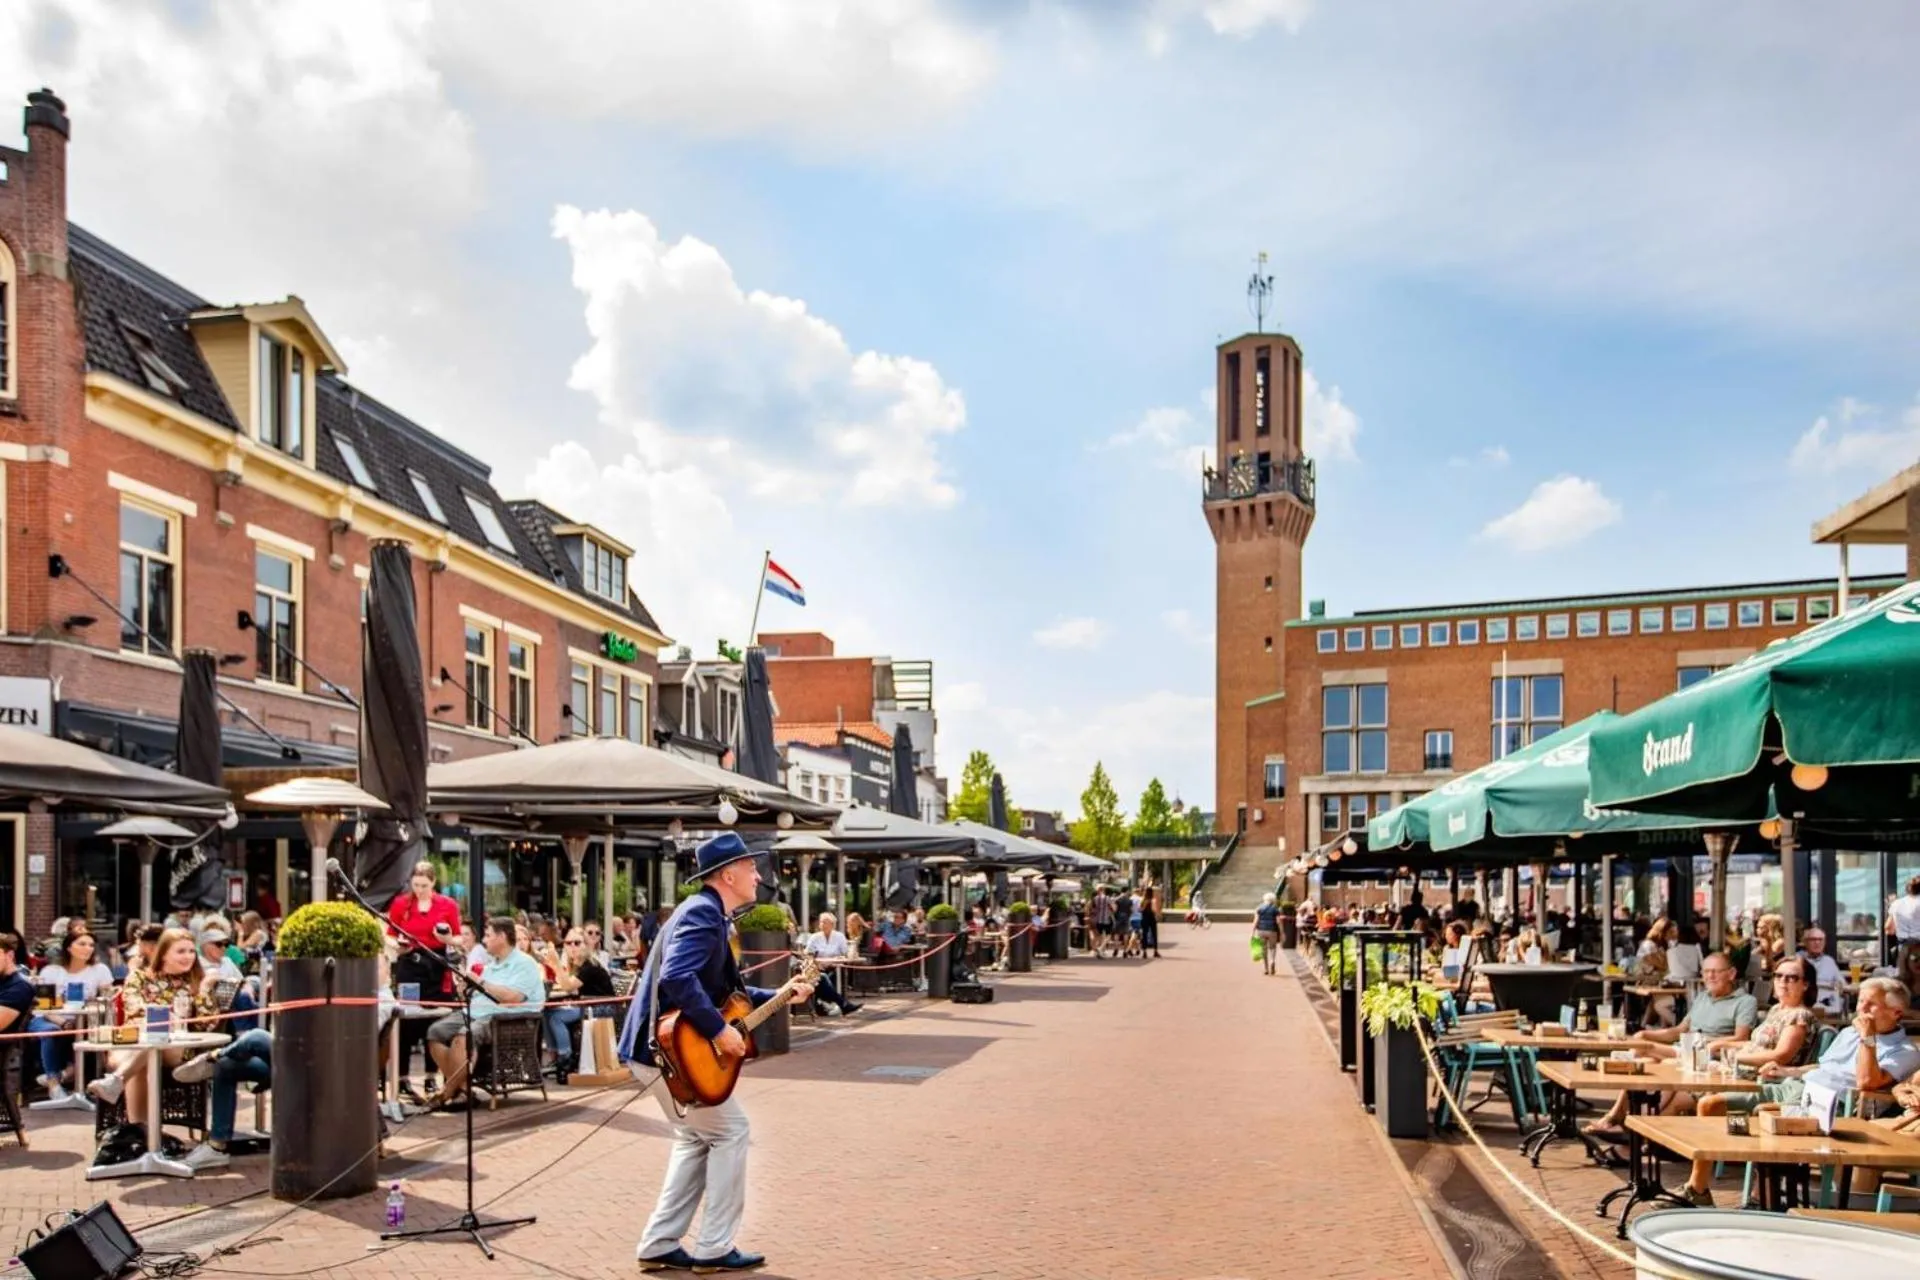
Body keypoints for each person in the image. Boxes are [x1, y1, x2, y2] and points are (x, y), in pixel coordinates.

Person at [624, 832, 813, 1273]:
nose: (757, 874)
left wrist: (784, 993)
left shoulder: (709, 915)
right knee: (731, 1131)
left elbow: (728, 995)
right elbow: (677, 977)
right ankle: (713, 1247)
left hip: (659, 1051)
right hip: (669, 1053)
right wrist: (717, 1030)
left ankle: (659, 1242)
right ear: (727, 874)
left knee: (694, 1139)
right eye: (750, 867)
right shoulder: (704, 915)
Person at [1681, 956, 1820, 1204]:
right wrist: (1725, 1046)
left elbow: (1782, 1055)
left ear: (1806, 985)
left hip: (1775, 1086)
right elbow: (1756, 1044)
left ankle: (1698, 1188)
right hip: (1747, 1077)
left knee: (1708, 1104)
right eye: (1778, 976)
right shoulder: (1777, 1010)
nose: (1783, 982)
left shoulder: (1800, 1016)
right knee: (1690, 1081)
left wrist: (1738, 1057)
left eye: (1792, 977)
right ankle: (1698, 1185)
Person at [1584, 952, 1756, 1141]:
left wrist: (1713, 1044)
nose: (1710, 976)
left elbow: (1741, 1037)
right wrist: (1645, 1033)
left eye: (1716, 971)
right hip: (1683, 1051)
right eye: (1706, 972)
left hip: (1707, 1059)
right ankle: (1631, 1126)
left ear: (1731, 974)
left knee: (1648, 1052)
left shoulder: (1745, 1001)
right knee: (1645, 1059)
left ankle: (1619, 1121)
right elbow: (1679, 1030)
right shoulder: (1702, 998)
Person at [89, 928, 220, 1125]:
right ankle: (144, 1136)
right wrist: (162, 1015)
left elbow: (207, 1023)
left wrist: (203, 990)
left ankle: (119, 1085)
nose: (188, 957)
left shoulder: (196, 981)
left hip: (176, 1048)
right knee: (147, 1055)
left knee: (156, 1039)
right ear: (164, 953)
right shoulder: (139, 978)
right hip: (134, 1044)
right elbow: (133, 1007)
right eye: (181, 951)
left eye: (191, 951)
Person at [1749, 977, 1919, 1118]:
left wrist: (1868, 1038)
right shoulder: (1848, 1032)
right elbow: (1825, 1067)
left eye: (1871, 1004)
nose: (1862, 1008)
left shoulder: (1905, 1051)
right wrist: (1788, 1071)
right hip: (1798, 1086)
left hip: (1827, 1102)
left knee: (1760, 1113)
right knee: (1724, 1102)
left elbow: (1866, 1082)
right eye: (1860, 1001)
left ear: (1896, 1013)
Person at [424, 918, 546, 1109]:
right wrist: (465, 987)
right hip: (476, 1012)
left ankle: (447, 1093)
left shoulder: (525, 963)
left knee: (463, 1036)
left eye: (488, 935)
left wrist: (480, 983)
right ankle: (463, 1090)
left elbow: (513, 998)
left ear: (502, 937)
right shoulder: (492, 965)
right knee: (435, 1032)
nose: (484, 940)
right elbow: (480, 994)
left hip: (505, 1019)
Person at [31, 929, 114, 1100]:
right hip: (48, 1017)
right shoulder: (51, 971)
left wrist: (84, 1018)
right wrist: (62, 1022)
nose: (88, 948)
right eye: (82, 944)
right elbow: (43, 1006)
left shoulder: (100, 970)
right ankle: (54, 1087)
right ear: (69, 947)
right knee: (51, 1031)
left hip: (83, 1020)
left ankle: (59, 1076)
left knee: (92, 1036)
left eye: (91, 945)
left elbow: (107, 1001)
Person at [801, 912, 862, 1016]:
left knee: (828, 978)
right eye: (821, 922)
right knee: (822, 978)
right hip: (817, 968)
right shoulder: (815, 937)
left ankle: (831, 1004)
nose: (822, 924)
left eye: (825, 922)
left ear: (832, 924)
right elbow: (807, 954)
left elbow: (845, 953)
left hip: (835, 967)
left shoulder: (839, 936)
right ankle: (843, 1005)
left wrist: (840, 957)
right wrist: (814, 961)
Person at [1798, 927, 1847, 1016]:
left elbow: (1842, 984)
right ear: (1805, 942)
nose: (1817, 942)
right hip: (1805, 1003)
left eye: (1820, 940)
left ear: (1824, 943)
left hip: (1827, 1005)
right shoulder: (1798, 959)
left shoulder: (1829, 961)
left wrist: (1838, 985)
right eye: (1813, 939)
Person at [1252, 893, 1282, 976]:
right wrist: (1282, 932)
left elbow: (1256, 921)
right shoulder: (1275, 909)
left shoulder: (1259, 908)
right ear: (1273, 900)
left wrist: (1253, 932)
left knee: (1263, 949)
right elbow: (1278, 922)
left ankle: (1266, 968)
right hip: (1272, 930)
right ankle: (1272, 960)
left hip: (1261, 930)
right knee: (1272, 948)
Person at [1139, 886, 1161, 958]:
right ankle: (1155, 951)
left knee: (1144, 934)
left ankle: (1144, 952)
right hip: (1151, 918)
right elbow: (1154, 909)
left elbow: (1140, 909)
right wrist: (1157, 915)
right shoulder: (1153, 900)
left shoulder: (1143, 899)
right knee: (1154, 934)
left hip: (1144, 918)